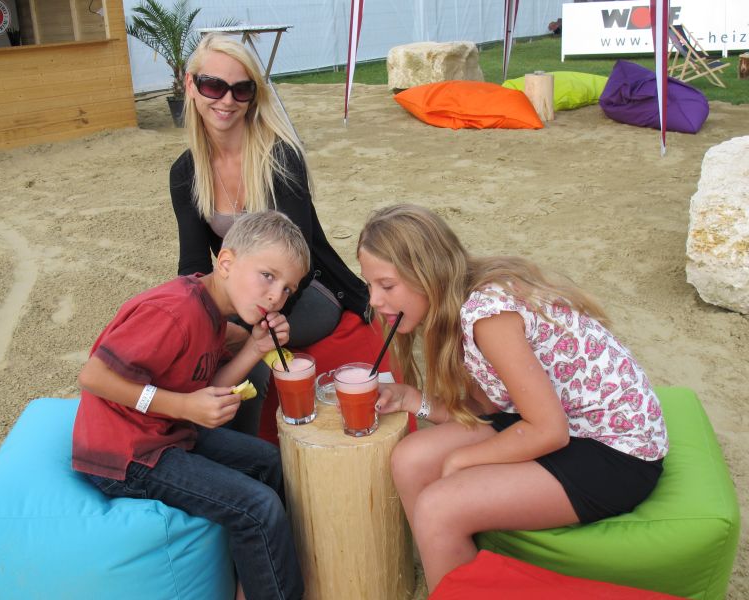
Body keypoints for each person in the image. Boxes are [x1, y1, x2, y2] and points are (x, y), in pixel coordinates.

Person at [357, 204, 668, 592]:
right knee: (410, 459)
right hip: (552, 422)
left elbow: (549, 431)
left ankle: (450, 560)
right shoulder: (454, 309)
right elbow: (487, 408)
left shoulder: (488, 316)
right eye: (370, 285)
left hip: (615, 451)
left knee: (439, 508)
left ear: (428, 274)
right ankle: (447, 575)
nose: (374, 300)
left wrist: (462, 460)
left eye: (387, 286)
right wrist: (411, 399)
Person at [72, 211, 308, 600]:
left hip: (166, 434)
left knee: (269, 462)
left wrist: (255, 347)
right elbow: (93, 376)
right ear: (226, 262)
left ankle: (256, 582)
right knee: (257, 507)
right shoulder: (174, 311)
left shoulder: (214, 312)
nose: (276, 296)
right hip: (125, 456)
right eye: (268, 276)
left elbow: (208, 386)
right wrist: (183, 407)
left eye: (287, 289)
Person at [170, 32, 368, 434]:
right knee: (190, 343)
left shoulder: (279, 157)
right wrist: (203, 320)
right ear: (190, 85)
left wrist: (239, 330)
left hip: (304, 292)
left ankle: (246, 457)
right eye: (213, 86)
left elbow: (299, 264)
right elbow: (192, 265)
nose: (227, 100)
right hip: (243, 294)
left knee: (244, 360)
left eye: (241, 89)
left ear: (253, 96)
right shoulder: (185, 172)